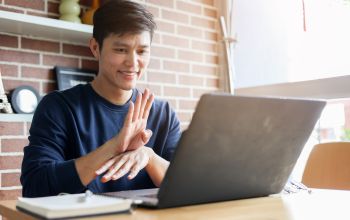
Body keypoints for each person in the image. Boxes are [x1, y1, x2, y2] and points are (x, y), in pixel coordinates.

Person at [20, 0, 181, 197]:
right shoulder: (58, 107)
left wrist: (147, 156)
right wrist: (112, 148)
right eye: (121, 50)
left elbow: (186, 186)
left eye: (141, 51)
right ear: (95, 48)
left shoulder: (163, 114)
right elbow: (35, 186)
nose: (132, 62)